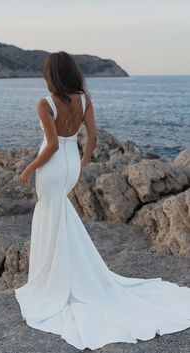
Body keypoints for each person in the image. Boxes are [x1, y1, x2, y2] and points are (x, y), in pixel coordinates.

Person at [15, 51, 190, 351]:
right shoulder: (84, 99)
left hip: (53, 167)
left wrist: (29, 168)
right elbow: (92, 138)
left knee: (48, 216)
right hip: (70, 165)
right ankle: (65, 277)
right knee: (60, 216)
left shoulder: (45, 104)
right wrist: (81, 163)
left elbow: (52, 144)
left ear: (50, 75)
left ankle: (49, 284)